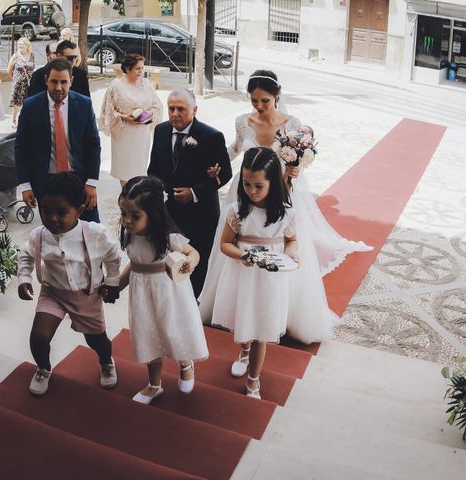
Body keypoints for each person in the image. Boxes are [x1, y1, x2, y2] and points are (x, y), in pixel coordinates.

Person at [199, 70, 371, 344]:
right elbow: (236, 148)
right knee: (237, 240)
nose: (258, 106)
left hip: (281, 191)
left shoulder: (292, 123)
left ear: (277, 97)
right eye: (254, 100)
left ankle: (285, 313)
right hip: (244, 189)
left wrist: (295, 168)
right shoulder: (243, 121)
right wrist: (217, 163)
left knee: (284, 242)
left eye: (264, 101)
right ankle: (229, 306)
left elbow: (298, 162)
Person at [18, 173, 121, 396]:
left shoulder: (94, 233)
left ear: (80, 210)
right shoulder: (39, 235)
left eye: (61, 212)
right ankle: (43, 368)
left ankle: (106, 361)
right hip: (52, 294)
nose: (52, 218)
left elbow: (113, 255)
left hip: (86, 296)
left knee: (96, 339)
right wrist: (23, 279)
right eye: (45, 211)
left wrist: (112, 282)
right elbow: (25, 255)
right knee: (39, 336)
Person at [211, 148, 298, 399]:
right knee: (245, 316)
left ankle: (254, 379)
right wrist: (243, 255)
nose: (252, 191)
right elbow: (225, 244)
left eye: (259, 186)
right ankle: (244, 350)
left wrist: (292, 253)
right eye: (247, 184)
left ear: (273, 182)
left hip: (270, 276)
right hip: (243, 272)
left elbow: (292, 240)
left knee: (262, 325)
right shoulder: (237, 211)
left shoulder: (286, 213)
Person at [114, 176, 208, 404]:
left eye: (134, 216)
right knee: (148, 336)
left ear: (153, 213)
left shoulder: (168, 239)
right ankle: (154, 385)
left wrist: (190, 263)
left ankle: (186, 363)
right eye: (123, 213)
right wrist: (115, 286)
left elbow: (193, 253)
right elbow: (134, 266)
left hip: (169, 295)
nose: (126, 220)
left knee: (173, 330)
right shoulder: (131, 237)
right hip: (143, 296)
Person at [148, 89, 232, 297]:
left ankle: (194, 303)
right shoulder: (160, 131)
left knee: (197, 264)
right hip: (170, 214)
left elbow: (226, 173)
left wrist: (194, 192)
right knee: (169, 260)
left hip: (201, 214)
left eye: (181, 109)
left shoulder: (211, 136)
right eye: (171, 108)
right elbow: (154, 169)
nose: (175, 113)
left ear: (194, 110)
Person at [15, 58, 101, 223]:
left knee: (91, 230)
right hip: (46, 182)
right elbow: (21, 148)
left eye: (64, 82)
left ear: (71, 81)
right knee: (54, 232)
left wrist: (92, 182)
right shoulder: (31, 106)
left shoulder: (84, 104)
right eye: (54, 81)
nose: (59, 87)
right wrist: (25, 185)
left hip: (79, 180)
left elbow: (93, 145)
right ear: (46, 80)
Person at [100, 53, 162, 186]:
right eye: (138, 68)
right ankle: (126, 196)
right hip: (123, 133)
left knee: (139, 168)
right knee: (125, 170)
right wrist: (124, 117)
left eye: (142, 68)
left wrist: (146, 116)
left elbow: (157, 106)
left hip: (141, 134)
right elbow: (107, 110)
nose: (141, 71)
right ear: (127, 69)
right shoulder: (116, 86)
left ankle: (137, 196)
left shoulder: (146, 84)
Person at [7, 37, 35, 126]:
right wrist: (15, 79)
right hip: (18, 84)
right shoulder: (15, 56)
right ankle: (13, 118)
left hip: (29, 83)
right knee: (17, 103)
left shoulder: (32, 55)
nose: (20, 46)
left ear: (27, 46)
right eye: (18, 44)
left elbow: (33, 68)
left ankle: (24, 119)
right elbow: (9, 69)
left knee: (28, 102)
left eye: (22, 44)